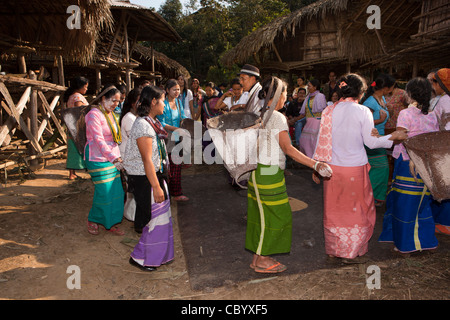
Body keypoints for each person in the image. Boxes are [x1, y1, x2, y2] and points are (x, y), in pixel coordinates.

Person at [313, 73, 407, 263]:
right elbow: (371, 143)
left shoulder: (329, 110)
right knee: (357, 210)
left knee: (334, 211)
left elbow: (320, 142)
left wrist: (316, 166)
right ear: (361, 92)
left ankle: (333, 249)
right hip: (354, 169)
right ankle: (351, 250)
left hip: (332, 169)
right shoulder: (362, 111)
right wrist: (393, 136)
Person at [246, 76, 333, 274]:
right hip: (268, 173)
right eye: (286, 92)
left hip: (259, 171)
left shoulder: (260, 113)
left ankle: (258, 257)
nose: (287, 96)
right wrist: (315, 164)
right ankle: (262, 259)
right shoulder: (276, 117)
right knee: (277, 216)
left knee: (262, 216)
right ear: (278, 94)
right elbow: (288, 148)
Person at [378, 77, 440, 252]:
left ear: (410, 94)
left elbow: (402, 137)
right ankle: (427, 241)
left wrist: (379, 139)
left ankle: (406, 244)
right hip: (426, 164)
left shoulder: (406, 114)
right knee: (422, 203)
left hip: (407, 163)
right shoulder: (432, 114)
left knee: (404, 202)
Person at [123, 86, 174, 271]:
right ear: (153, 102)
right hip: (146, 179)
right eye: (162, 101)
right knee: (154, 220)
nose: (164, 105)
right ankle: (140, 258)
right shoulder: (143, 125)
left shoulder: (153, 122)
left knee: (160, 219)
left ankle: (155, 255)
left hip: (154, 176)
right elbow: (147, 160)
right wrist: (156, 187)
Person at [84, 85, 125, 236]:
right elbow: (99, 140)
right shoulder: (93, 114)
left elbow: (115, 138)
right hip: (97, 157)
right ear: (103, 98)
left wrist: (118, 156)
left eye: (118, 101)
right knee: (104, 192)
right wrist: (114, 158)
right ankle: (93, 220)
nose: (116, 104)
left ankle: (111, 223)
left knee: (117, 192)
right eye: (113, 100)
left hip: (112, 157)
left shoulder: (111, 114)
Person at [361, 74, 396, 206]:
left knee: (377, 169)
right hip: (372, 140)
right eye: (391, 88)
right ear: (385, 88)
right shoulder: (370, 102)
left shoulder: (381, 99)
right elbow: (363, 123)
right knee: (381, 168)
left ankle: (370, 197)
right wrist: (380, 120)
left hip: (380, 139)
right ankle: (370, 197)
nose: (392, 90)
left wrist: (389, 113)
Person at [157, 79, 189, 202]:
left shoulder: (178, 101)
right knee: (167, 166)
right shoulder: (162, 103)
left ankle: (176, 192)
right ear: (167, 90)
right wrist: (176, 129)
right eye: (174, 89)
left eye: (178, 89)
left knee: (176, 166)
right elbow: (161, 123)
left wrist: (188, 123)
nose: (177, 91)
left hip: (178, 137)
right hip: (167, 138)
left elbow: (182, 117)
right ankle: (167, 192)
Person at [430, 68, 450, 234]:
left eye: (434, 82)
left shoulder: (444, 100)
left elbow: (438, 124)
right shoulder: (443, 99)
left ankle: (443, 222)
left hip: (443, 147)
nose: (432, 85)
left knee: (443, 185)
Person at [64, 76, 89, 180]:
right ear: (80, 86)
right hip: (78, 126)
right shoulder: (77, 97)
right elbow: (79, 112)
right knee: (81, 148)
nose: (86, 89)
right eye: (85, 87)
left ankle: (72, 173)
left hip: (71, 126)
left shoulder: (70, 97)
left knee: (72, 149)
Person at [298, 79, 327, 157]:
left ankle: (314, 159)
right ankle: (308, 159)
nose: (308, 87)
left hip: (317, 123)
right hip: (308, 123)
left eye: (309, 86)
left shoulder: (320, 96)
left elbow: (323, 110)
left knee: (313, 142)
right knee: (304, 141)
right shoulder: (308, 97)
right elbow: (304, 113)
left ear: (315, 87)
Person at [119, 88, 142, 157]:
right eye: (139, 101)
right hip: (128, 156)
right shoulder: (129, 118)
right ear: (133, 103)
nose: (141, 104)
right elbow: (136, 140)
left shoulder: (136, 116)